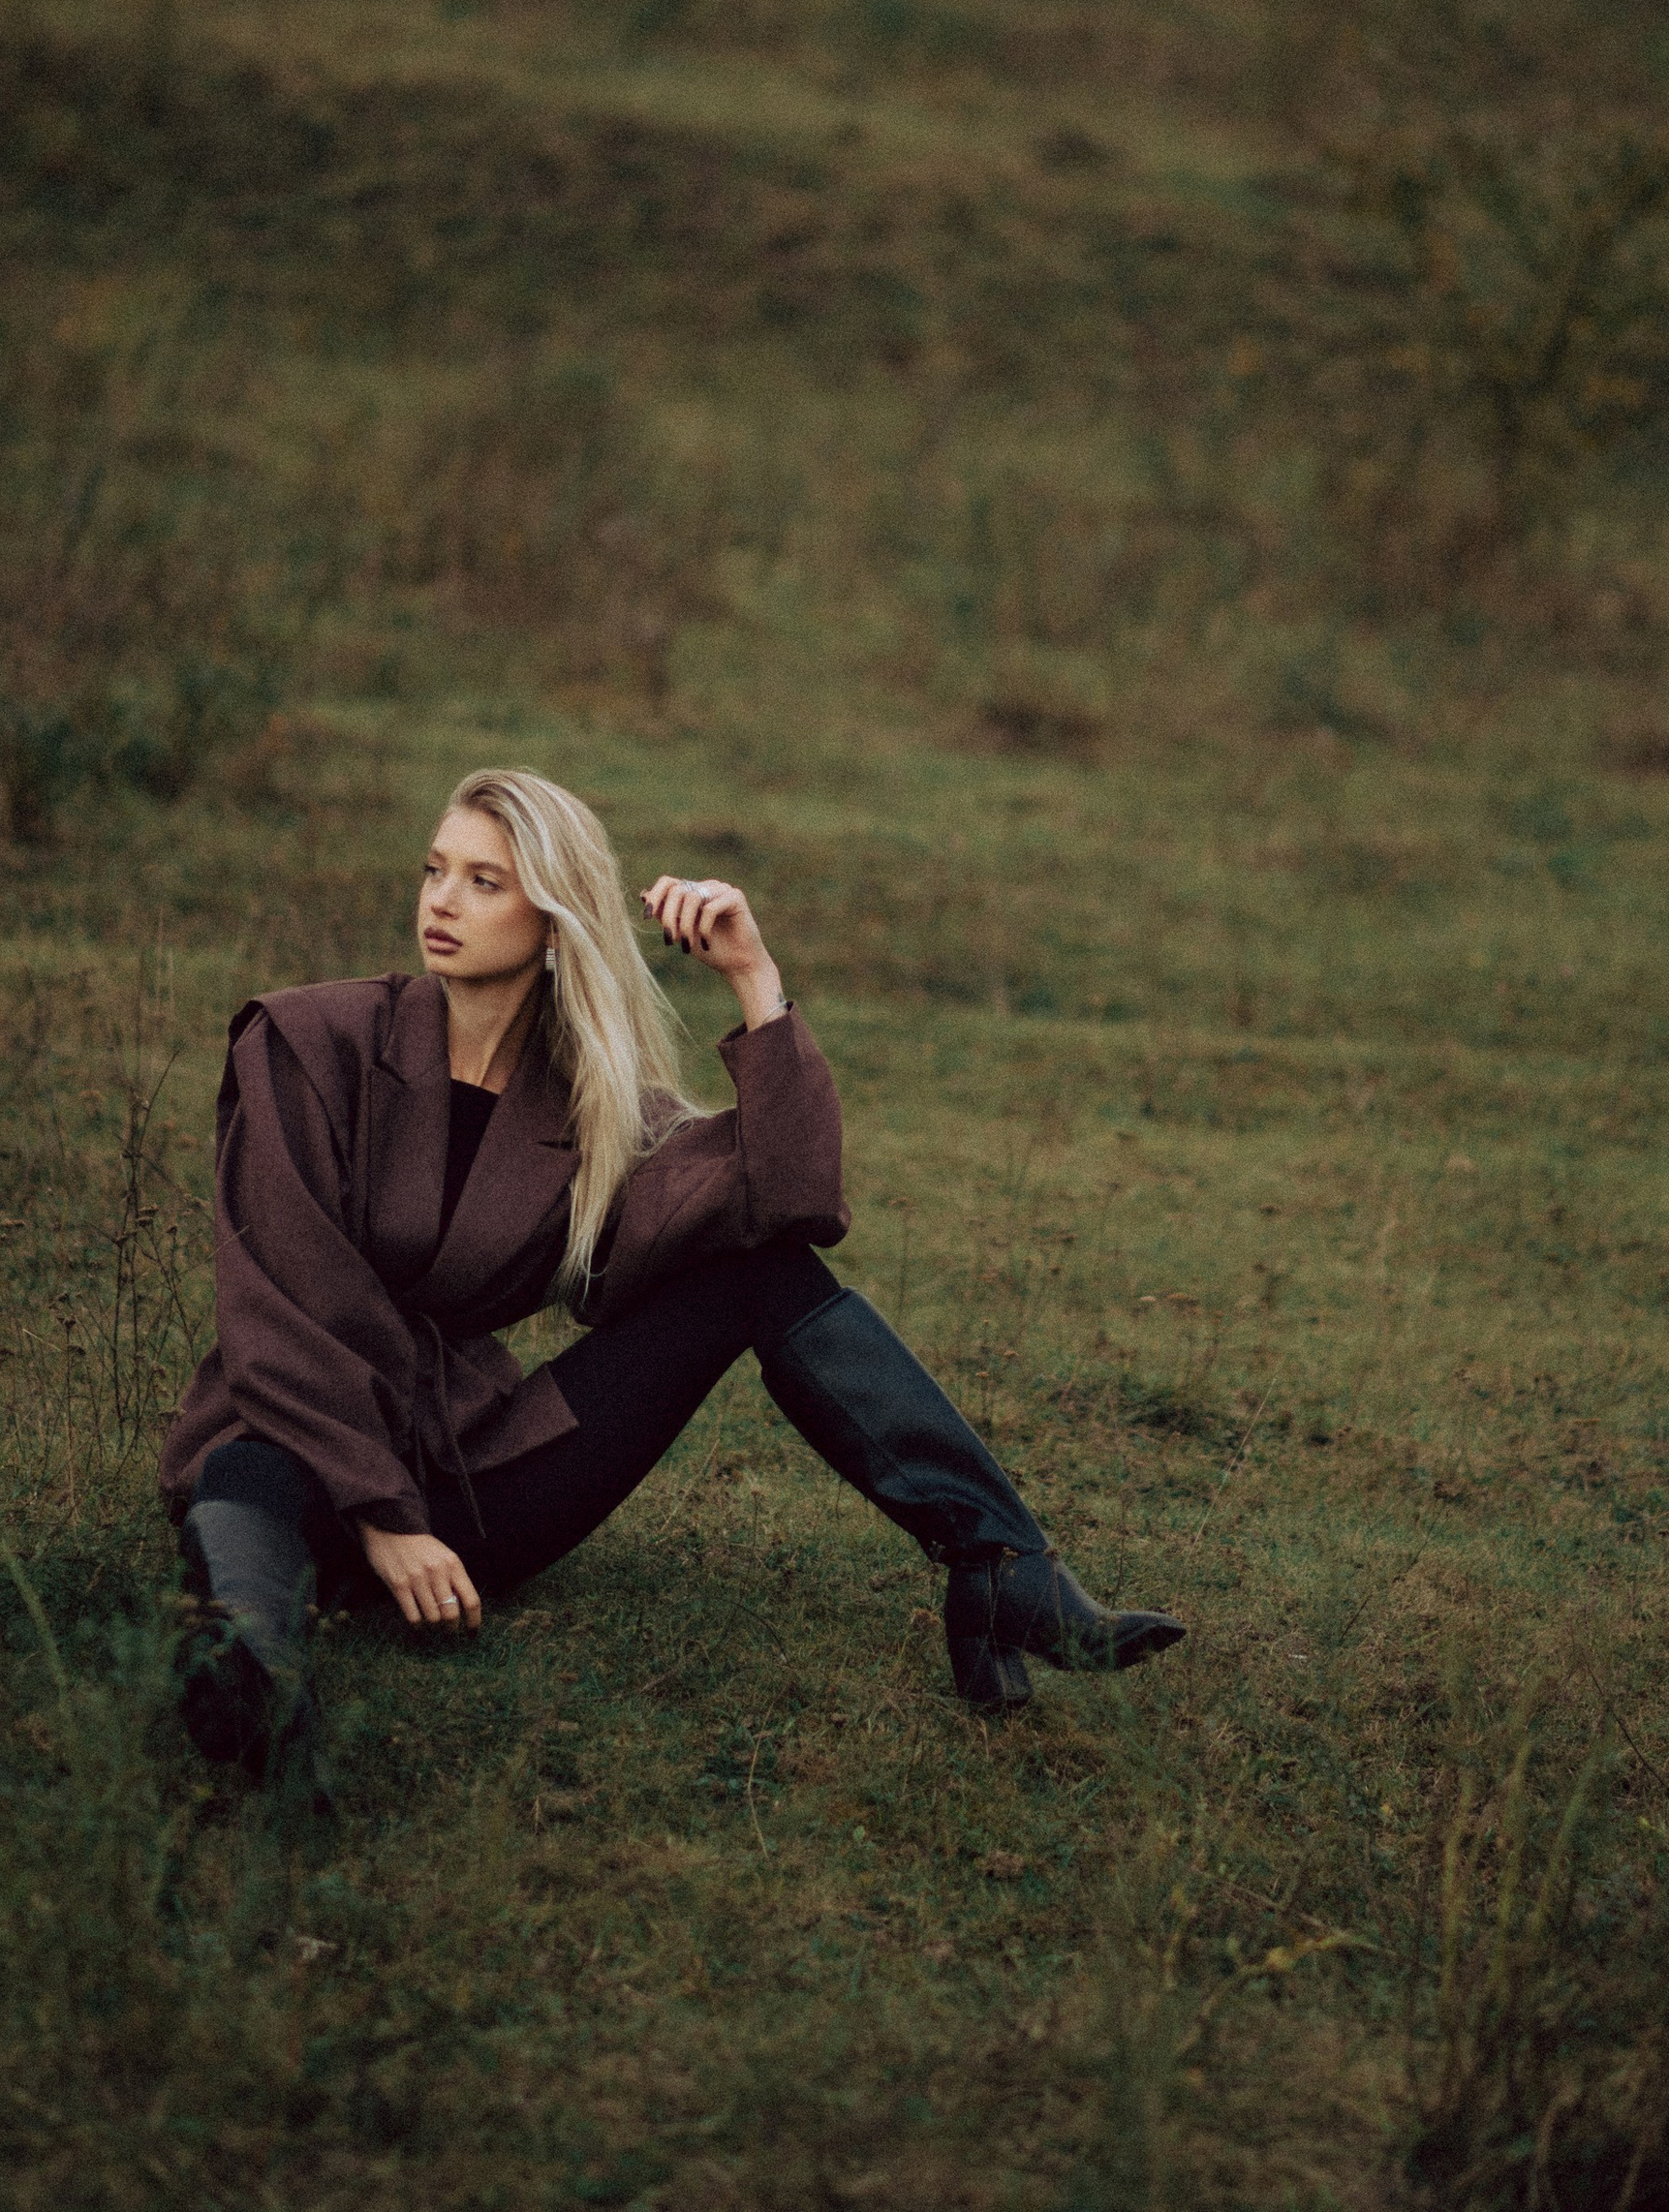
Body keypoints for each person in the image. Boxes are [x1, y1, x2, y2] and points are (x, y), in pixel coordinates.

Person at [160, 766, 1183, 1789]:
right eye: (436, 871)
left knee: (758, 1272)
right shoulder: (308, 1042)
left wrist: (755, 979)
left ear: (555, 920)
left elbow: (785, 1203)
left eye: (484, 881)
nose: (441, 900)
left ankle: (999, 1565)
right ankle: (254, 1683)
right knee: (250, 1473)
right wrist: (385, 1516)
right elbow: (284, 1297)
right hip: (295, 1442)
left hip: (465, 1473)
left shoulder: (592, 1107)